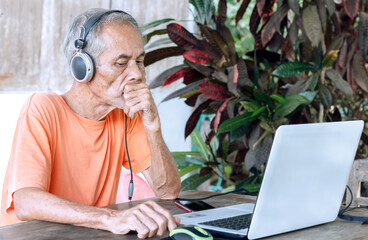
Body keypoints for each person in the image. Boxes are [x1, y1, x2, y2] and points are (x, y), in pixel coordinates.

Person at [0, 8, 182, 239]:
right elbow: (26, 201)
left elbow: (167, 192)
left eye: (140, 61)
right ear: (83, 67)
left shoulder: (125, 114)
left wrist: (153, 125)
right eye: (121, 63)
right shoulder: (42, 108)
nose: (136, 74)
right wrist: (109, 218)